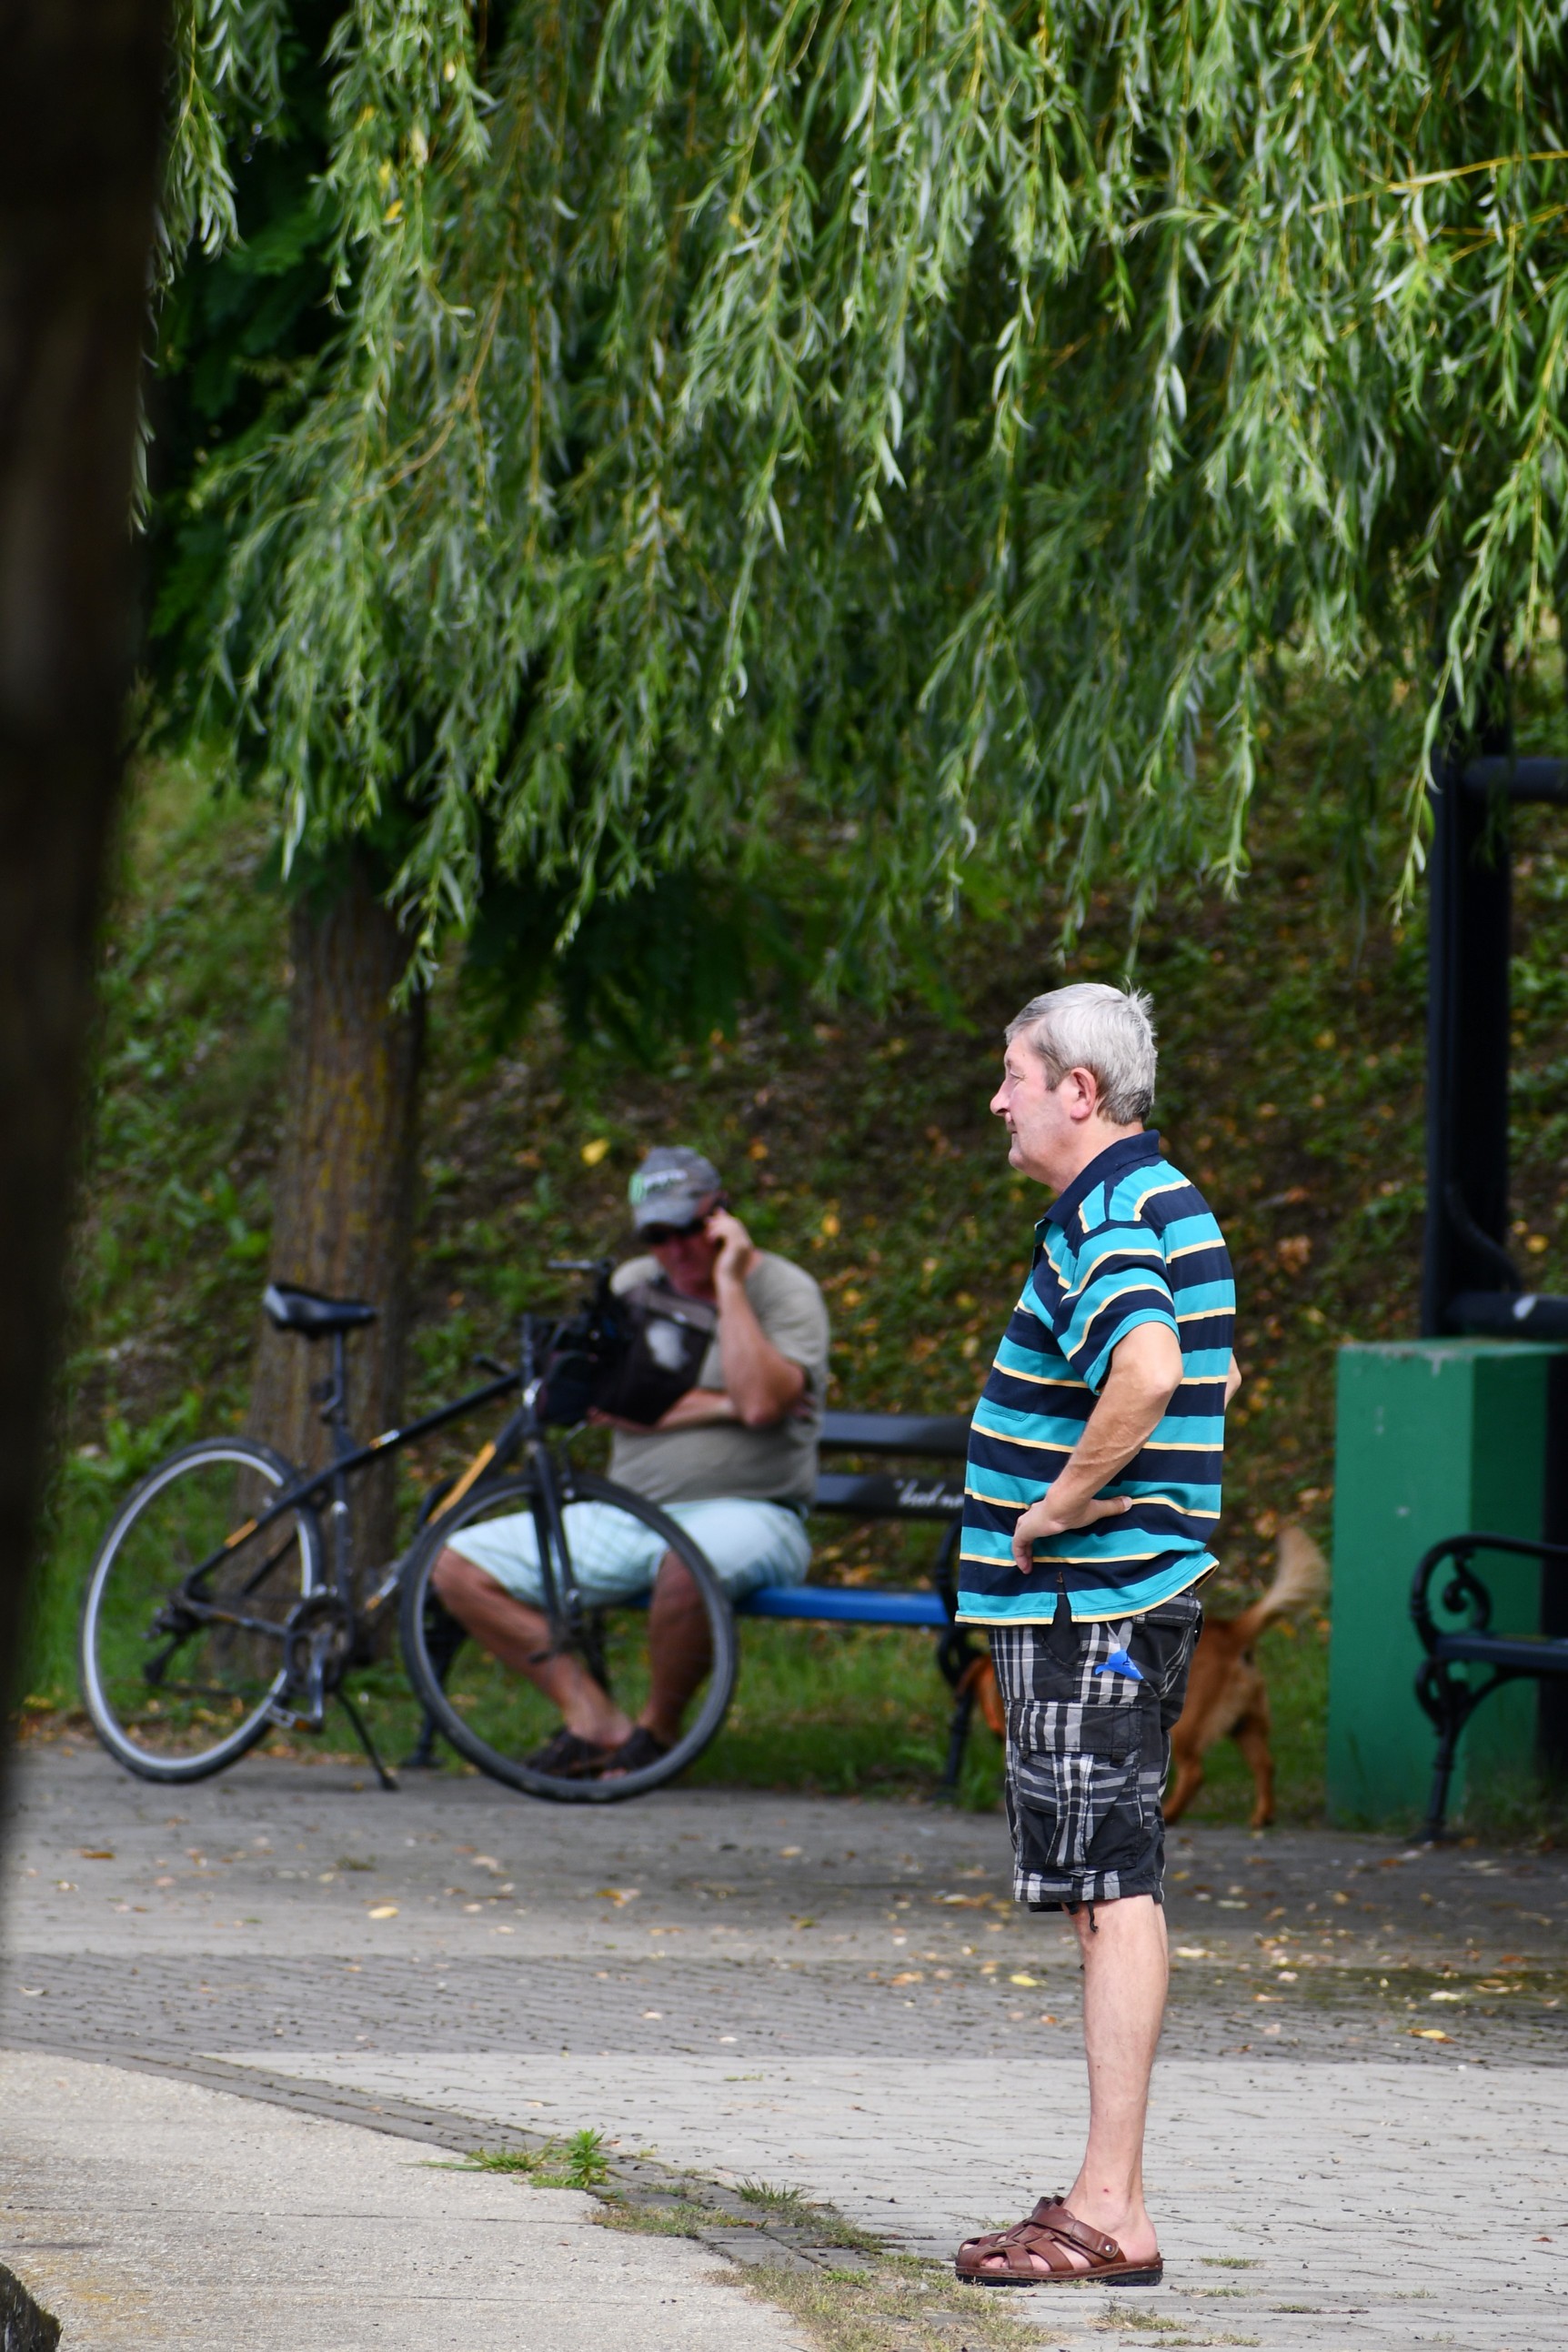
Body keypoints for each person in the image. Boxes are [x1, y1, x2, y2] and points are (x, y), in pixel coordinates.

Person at [952, 983, 1241, 2291]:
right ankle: (1102, 2195)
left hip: (1092, 1606)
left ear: (1081, 1090)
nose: (998, 1098)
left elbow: (1152, 1366)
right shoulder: (1167, 1196)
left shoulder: (1106, 1210)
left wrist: (1054, 1504)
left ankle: (1111, 2209)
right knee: (1109, 1878)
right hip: (1123, 1600)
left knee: (1111, 1891)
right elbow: (1217, 1365)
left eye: (1015, 1074)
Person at [431, 1147, 829, 1778]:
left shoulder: (782, 1289)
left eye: (689, 1229)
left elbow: (757, 1405)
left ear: (722, 1217)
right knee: (455, 1565)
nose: (675, 1249)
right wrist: (717, 1403)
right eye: (657, 1235)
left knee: (685, 1565)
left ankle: (656, 1736)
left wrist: (728, 1287)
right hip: (628, 1513)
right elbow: (607, 1406)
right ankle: (594, 1721)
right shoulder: (631, 1288)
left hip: (755, 1512)